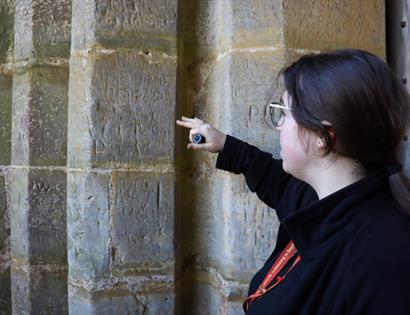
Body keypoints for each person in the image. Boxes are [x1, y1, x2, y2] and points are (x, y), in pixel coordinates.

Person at [176, 48, 410, 315]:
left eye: (285, 114)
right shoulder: (326, 199)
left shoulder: (384, 261)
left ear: (323, 136)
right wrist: (226, 146)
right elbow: (275, 181)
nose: (279, 125)